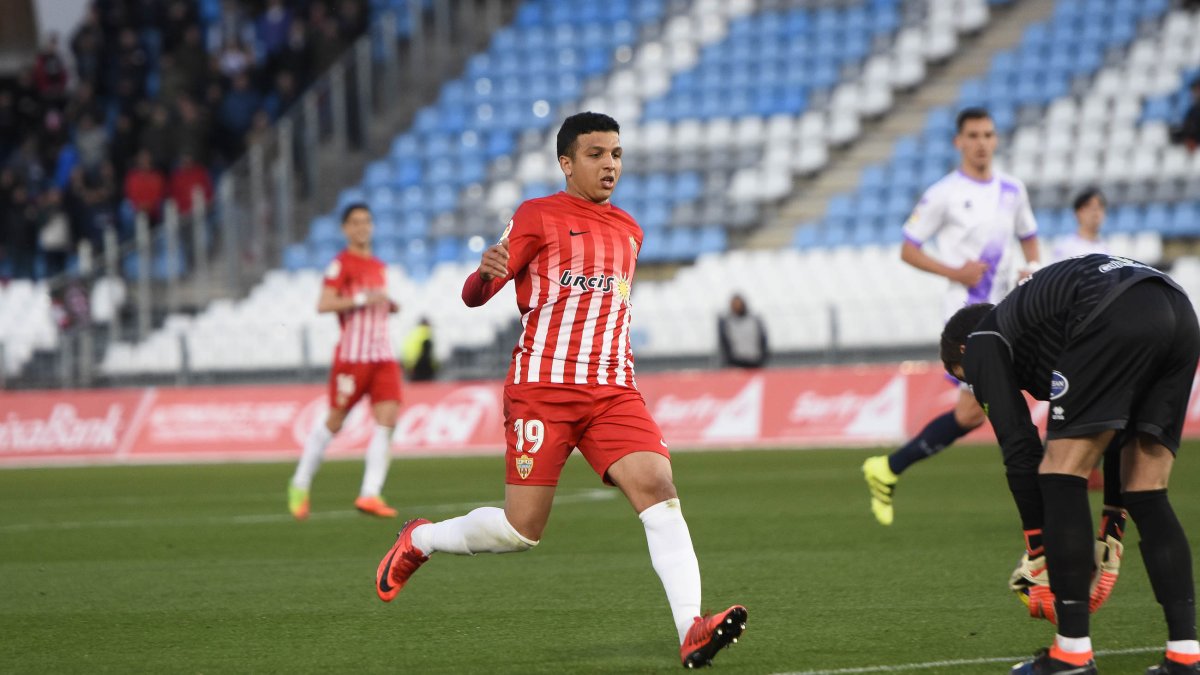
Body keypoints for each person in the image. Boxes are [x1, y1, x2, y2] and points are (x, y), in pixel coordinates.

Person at [373, 112, 748, 669]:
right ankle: (421, 540)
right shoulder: (536, 216)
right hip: (542, 390)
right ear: (566, 163)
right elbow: (477, 295)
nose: (610, 165)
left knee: (658, 488)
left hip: (613, 390)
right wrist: (484, 274)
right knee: (520, 530)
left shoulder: (630, 230)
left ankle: (692, 628)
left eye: (616, 154)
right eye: (596, 154)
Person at [940, 254, 1199, 675]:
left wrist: (1038, 549)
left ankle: (1072, 654)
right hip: (1177, 309)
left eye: (965, 375)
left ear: (965, 351)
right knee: (1147, 488)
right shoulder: (1043, 334)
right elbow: (1118, 426)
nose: (973, 387)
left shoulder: (985, 338)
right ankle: (1185, 655)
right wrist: (1112, 523)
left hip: (1114, 306)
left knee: (1061, 470)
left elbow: (1020, 449)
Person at [862, 107, 1041, 526]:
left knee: (972, 414)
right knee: (990, 405)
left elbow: (1030, 238)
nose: (981, 142)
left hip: (1005, 308)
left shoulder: (1012, 190)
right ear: (958, 142)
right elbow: (908, 248)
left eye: (988, 135)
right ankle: (1036, 482)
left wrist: (1032, 266)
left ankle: (888, 469)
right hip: (966, 316)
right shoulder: (943, 192)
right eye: (973, 135)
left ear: (996, 140)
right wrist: (954, 271)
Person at [288, 203, 403, 520]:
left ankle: (370, 493)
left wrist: (388, 305)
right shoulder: (341, 264)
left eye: (366, 221)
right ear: (345, 229)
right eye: (355, 222)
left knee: (387, 420)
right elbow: (324, 304)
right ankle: (299, 482)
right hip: (353, 358)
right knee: (335, 421)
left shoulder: (379, 266)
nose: (362, 227)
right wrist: (365, 299)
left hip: (383, 356)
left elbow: (374, 303)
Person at [1052, 188, 1107, 262]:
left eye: (1099, 207)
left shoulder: (1105, 248)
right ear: (1078, 213)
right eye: (1091, 208)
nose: (1096, 213)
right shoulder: (1065, 248)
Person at [717, 293, 768, 369]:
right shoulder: (727, 322)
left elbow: (762, 339)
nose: (737, 306)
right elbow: (724, 342)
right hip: (736, 362)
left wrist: (763, 357)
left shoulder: (754, 320)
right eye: (734, 304)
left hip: (754, 361)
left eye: (738, 304)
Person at [401, 317, 436, 382]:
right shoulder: (426, 333)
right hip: (420, 365)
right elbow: (427, 353)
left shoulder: (412, 333)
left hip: (409, 364)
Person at [1173, 78, 1200, 153]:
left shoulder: (1195, 110)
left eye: (1197, 90)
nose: (1195, 93)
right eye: (1194, 90)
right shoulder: (1191, 109)